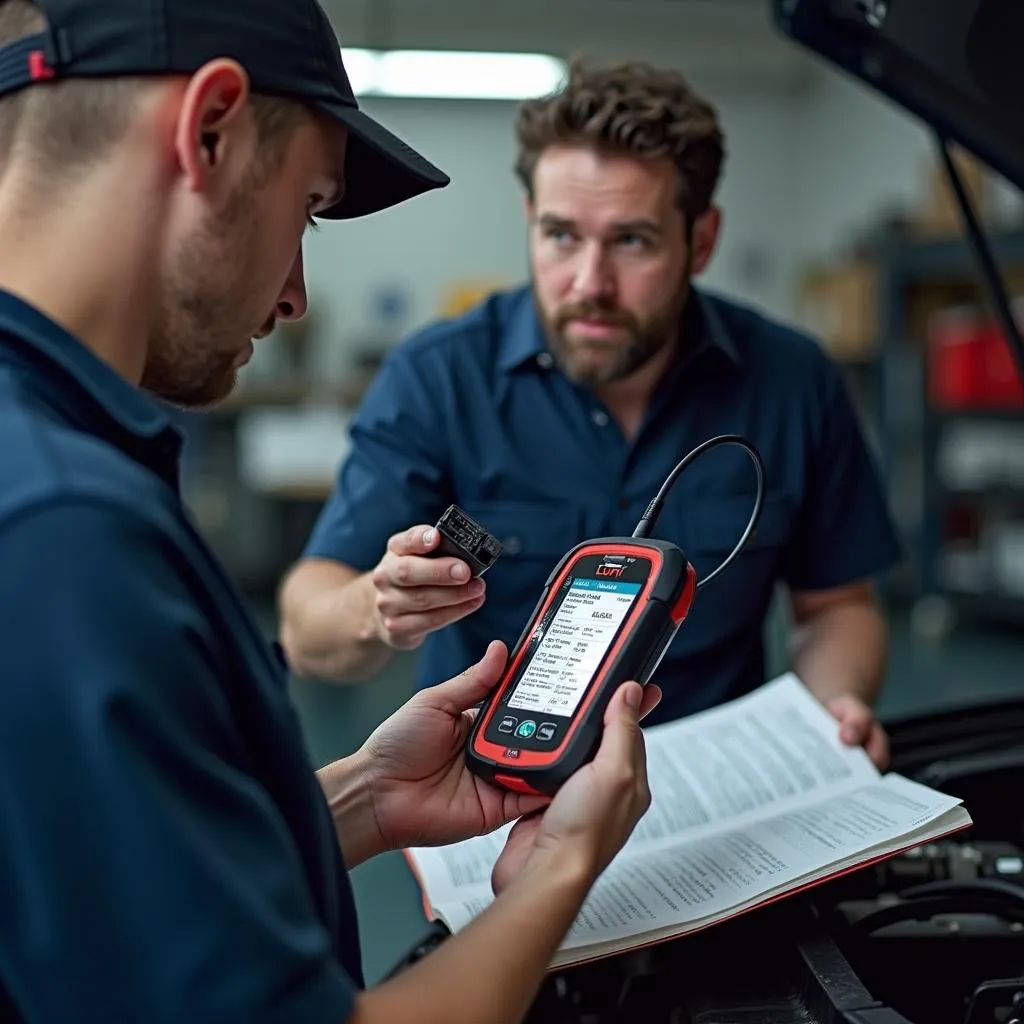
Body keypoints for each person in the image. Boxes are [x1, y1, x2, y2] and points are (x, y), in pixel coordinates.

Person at [0, 3, 660, 1022]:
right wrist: (564, 863)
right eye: (307, 206)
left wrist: (358, 798)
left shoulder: (48, 467)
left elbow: (97, 879)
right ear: (208, 129)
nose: (299, 294)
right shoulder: (60, 529)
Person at [279, 57, 904, 771]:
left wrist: (833, 711)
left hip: (718, 800)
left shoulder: (795, 381)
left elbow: (838, 609)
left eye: (631, 241)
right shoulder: (436, 378)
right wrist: (376, 606)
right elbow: (307, 622)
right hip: (490, 812)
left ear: (701, 240)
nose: (589, 283)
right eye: (561, 235)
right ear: (530, 221)